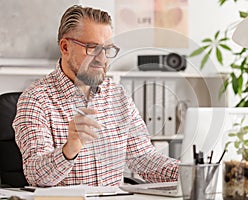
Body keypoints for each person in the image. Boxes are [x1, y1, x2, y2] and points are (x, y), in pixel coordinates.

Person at [13, 5, 178, 187]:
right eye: (92, 48)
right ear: (65, 47)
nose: (102, 58)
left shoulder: (117, 95)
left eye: (107, 49)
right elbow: (35, 176)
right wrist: (70, 149)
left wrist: (194, 172)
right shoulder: (36, 99)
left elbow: (144, 159)